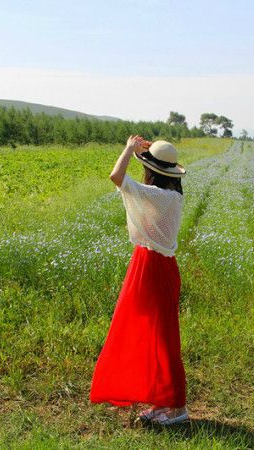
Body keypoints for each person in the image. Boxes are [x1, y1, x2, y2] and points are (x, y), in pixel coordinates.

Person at [89, 135, 189, 425]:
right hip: (150, 263)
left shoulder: (161, 197)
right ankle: (162, 401)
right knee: (151, 334)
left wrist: (130, 148)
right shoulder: (169, 194)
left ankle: (176, 407)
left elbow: (116, 176)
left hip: (154, 267)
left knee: (163, 338)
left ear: (151, 171)